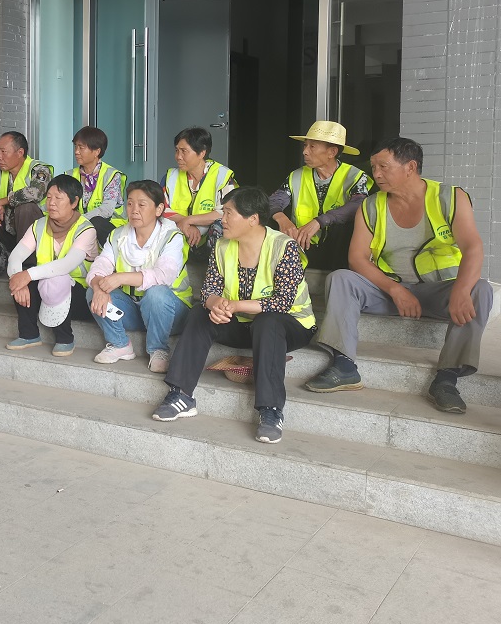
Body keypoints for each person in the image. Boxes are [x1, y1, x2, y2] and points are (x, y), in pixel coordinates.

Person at [305, 138, 491, 413]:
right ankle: (344, 366)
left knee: (481, 290)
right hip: (390, 290)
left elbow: (473, 247)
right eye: (373, 167)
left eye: (383, 166)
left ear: (410, 167)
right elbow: (357, 258)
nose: (376, 174)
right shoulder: (371, 205)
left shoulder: (450, 197)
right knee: (341, 278)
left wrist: (462, 290)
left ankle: (447, 379)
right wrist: (395, 290)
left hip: (438, 289)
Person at [151, 187, 316, 444]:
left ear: (253, 219)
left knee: (268, 322)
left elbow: (282, 302)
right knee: (200, 312)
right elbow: (209, 290)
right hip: (243, 325)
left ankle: (271, 411)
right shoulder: (222, 245)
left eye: (229, 213)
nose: (222, 219)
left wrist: (235, 306)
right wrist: (216, 304)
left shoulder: (284, 247)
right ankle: (181, 394)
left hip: (291, 325)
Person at [86, 180, 192, 372]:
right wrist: (98, 287)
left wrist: (120, 277)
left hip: (170, 313)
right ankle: (120, 344)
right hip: (135, 310)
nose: (134, 210)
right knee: (93, 291)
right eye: (130, 203)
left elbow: (163, 275)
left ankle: (158, 349)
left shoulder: (171, 237)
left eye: (142, 205)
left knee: (156, 293)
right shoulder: (118, 235)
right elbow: (100, 266)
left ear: (159, 209)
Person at [6, 174, 98, 357]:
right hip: (46, 288)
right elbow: (15, 257)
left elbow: (66, 265)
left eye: (58, 198)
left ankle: (65, 339)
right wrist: (19, 280)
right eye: (49, 197)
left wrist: (27, 275)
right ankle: (29, 334)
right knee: (20, 277)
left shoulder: (86, 229)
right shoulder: (39, 225)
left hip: (79, 295)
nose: (52, 203)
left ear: (74, 202)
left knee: (55, 280)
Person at [270, 121, 370, 270]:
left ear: (332, 152)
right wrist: (282, 219)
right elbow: (274, 201)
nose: (305, 152)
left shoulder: (354, 176)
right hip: (303, 248)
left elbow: (358, 205)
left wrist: (320, 221)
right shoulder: (297, 176)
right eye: (305, 145)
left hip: (339, 251)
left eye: (312, 146)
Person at [0, 131, 53, 252]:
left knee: (26, 208)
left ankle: (26, 261)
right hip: (9, 230)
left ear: (20, 152)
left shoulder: (39, 170)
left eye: (4, 152)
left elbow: (36, 192)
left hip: (39, 233)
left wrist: (3, 201)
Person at [161, 127, 237, 250]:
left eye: (184, 151)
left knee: (220, 226)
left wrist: (189, 220)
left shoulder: (222, 176)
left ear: (202, 153)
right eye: (176, 150)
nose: (178, 156)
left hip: (209, 238)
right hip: (180, 234)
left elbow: (227, 211)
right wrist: (186, 223)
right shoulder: (171, 177)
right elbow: (161, 208)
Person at [70, 125, 126, 244]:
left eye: (81, 148)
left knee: (97, 222)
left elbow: (107, 210)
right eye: (75, 146)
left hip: (110, 227)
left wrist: (78, 220)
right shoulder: (70, 175)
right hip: (81, 227)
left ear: (97, 151)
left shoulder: (111, 175)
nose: (76, 152)